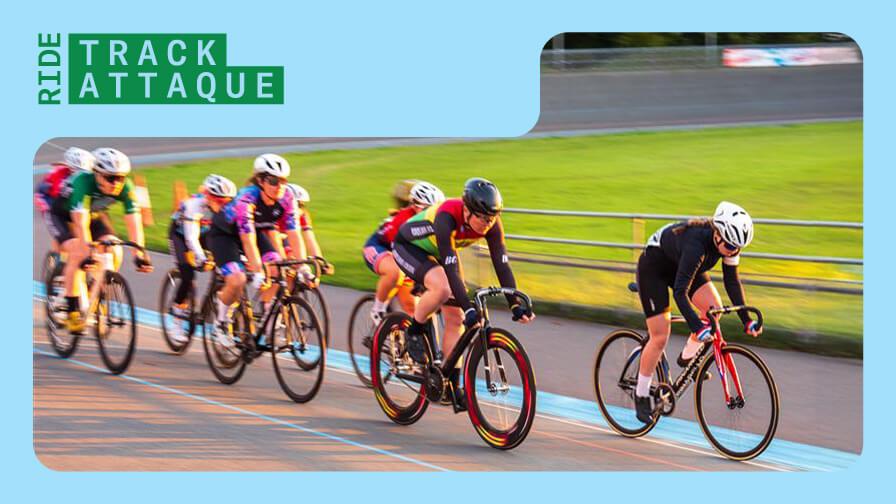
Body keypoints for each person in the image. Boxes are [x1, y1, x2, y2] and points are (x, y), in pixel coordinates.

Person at [392, 177, 534, 408]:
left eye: (492, 218)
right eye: (483, 218)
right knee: (443, 288)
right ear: (467, 211)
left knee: (456, 318)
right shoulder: (447, 216)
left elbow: (501, 264)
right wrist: (468, 306)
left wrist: (515, 304)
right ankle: (415, 330)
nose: (488, 224)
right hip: (409, 247)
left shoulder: (492, 223)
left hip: (441, 249)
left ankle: (451, 384)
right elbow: (450, 269)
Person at [632, 201, 763, 424]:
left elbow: (732, 282)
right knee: (660, 336)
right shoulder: (697, 247)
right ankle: (641, 394)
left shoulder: (728, 242)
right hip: (655, 268)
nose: (734, 251)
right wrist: (697, 327)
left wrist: (746, 320)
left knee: (714, 310)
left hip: (683, 266)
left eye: (738, 248)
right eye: (731, 247)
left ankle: (687, 360)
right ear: (718, 235)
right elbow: (680, 294)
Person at [45, 148, 153, 334]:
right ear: (97, 175)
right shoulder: (82, 182)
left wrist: (139, 253)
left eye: (120, 177)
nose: (117, 183)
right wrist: (88, 251)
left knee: (114, 248)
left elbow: (134, 223)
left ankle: (93, 294)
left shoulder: (126, 187)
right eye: (111, 178)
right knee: (79, 253)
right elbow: (80, 223)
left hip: (94, 216)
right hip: (63, 216)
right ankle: (72, 311)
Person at [205, 154, 309, 345]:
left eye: (283, 181)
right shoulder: (247, 198)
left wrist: (303, 265)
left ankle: (270, 321)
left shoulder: (287, 197)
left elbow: (294, 234)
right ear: (260, 181)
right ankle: (220, 321)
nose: (279, 185)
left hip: (258, 231)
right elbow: (248, 240)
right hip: (225, 235)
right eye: (273, 180)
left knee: (278, 269)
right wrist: (258, 269)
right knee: (238, 279)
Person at [166, 174, 238, 343]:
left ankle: (219, 310)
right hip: (180, 235)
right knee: (188, 275)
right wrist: (201, 258)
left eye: (226, 201)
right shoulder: (194, 205)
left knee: (227, 269)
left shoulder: (230, 209)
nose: (222, 205)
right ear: (208, 195)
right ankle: (177, 318)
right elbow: (191, 237)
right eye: (218, 200)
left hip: (206, 234)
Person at [363, 180, 444, 325]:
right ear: (415, 206)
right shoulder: (404, 219)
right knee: (395, 273)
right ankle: (378, 309)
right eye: (428, 209)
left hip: (405, 253)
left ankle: (406, 343)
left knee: (415, 310)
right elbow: (400, 253)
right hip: (380, 247)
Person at [35, 147, 96, 252]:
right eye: (75, 171)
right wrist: (46, 208)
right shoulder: (57, 174)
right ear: (69, 167)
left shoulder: (88, 179)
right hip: (54, 207)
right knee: (64, 236)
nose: (80, 175)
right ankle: (58, 258)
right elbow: (40, 193)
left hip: (72, 208)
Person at [281, 183, 335, 282]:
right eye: (297, 205)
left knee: (304, 271)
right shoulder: (278, 213)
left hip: (289, 241)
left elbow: (310, 239)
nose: (299, 209)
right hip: (275, 240)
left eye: (302, 205)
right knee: (289, 270)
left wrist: (320, 261)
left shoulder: (303, 215)